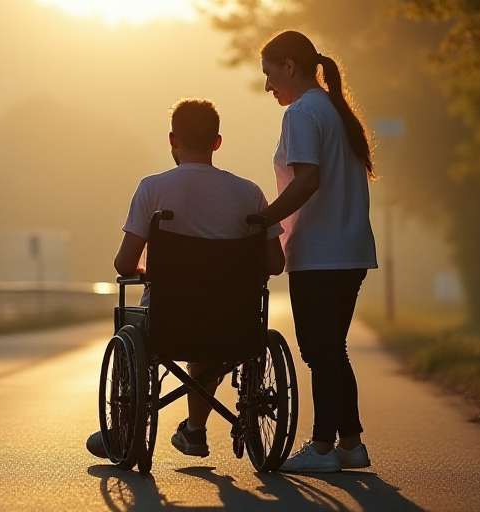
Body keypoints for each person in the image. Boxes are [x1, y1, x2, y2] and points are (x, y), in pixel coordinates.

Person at [86, 98, 285, 459]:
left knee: (141, 320)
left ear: (172, 140)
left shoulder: (153, 189)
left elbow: (124, 263)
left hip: (168, 320)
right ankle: (194, 431)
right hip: (233, 322)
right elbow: (275, 263)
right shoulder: (250, 194)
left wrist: (144, 271)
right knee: (211, 339)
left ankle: (124, 430)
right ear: (217, 142)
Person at [257, 30, 378, 473]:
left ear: (290, 65)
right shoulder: (331, 109)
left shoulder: (303, 113)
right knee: (332, 348)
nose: (268, 86)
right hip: (349, 249)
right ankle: (351, 442)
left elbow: (307, 180)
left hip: (321, 252)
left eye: (270, 74)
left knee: (320, 350)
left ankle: (323, 446)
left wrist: (264, 218)